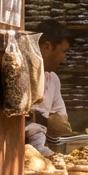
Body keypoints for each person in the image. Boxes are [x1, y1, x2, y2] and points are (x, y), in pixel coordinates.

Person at [24, 20, 73, 156]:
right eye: (63, 51)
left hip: (39, 153)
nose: (64, 58)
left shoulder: (53, 80)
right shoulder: (20, 74)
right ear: (47, 46)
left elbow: (59, 125)